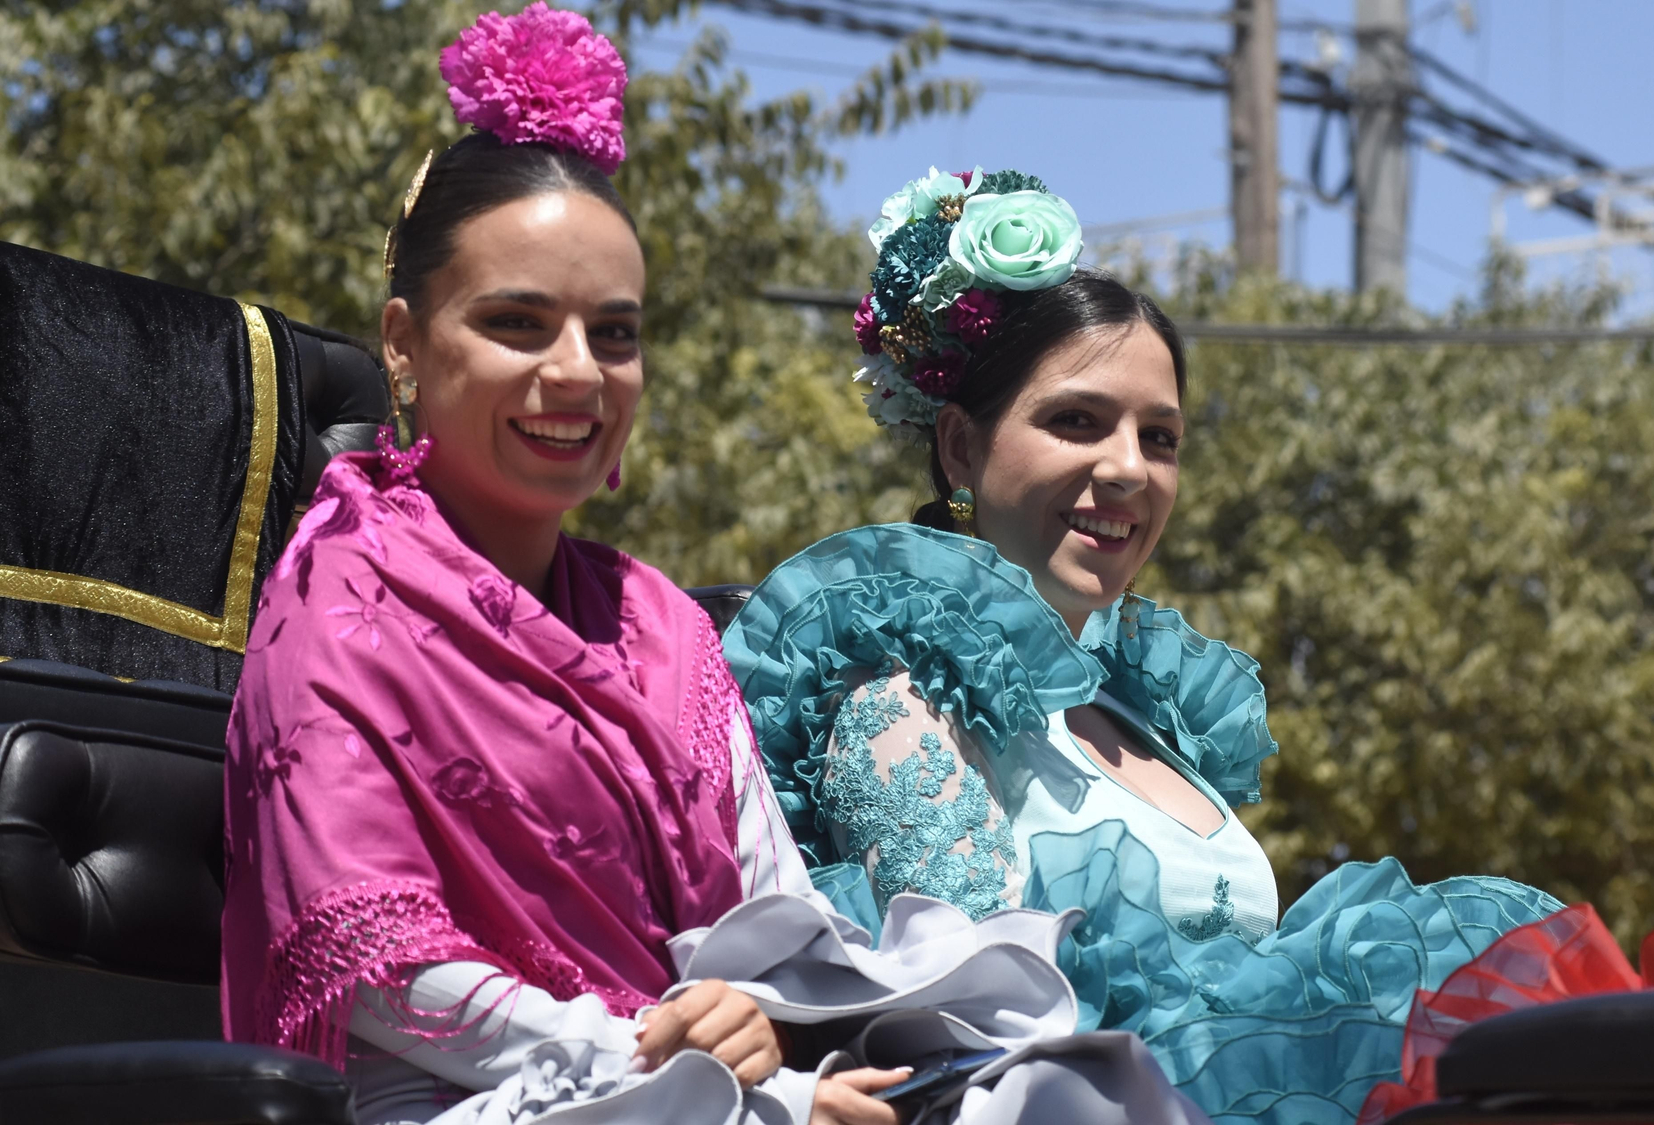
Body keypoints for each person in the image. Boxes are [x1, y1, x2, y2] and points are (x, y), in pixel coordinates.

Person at [221, 12, 1210, 1125]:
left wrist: (785, 1057)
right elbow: (376, 963)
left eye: (615, 334)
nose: (575, 373)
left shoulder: (657, 623)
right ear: (403, 343)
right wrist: (664, 1052)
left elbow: (771, 914)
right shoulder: (339, 609)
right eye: (516, 324)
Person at [724, 167, 1564, 1125]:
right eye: (1076, 421)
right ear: (960, 447)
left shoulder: (1148, 714)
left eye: (1158, 437)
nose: (1126, 469)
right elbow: (980, 1024)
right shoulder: (896, 697)